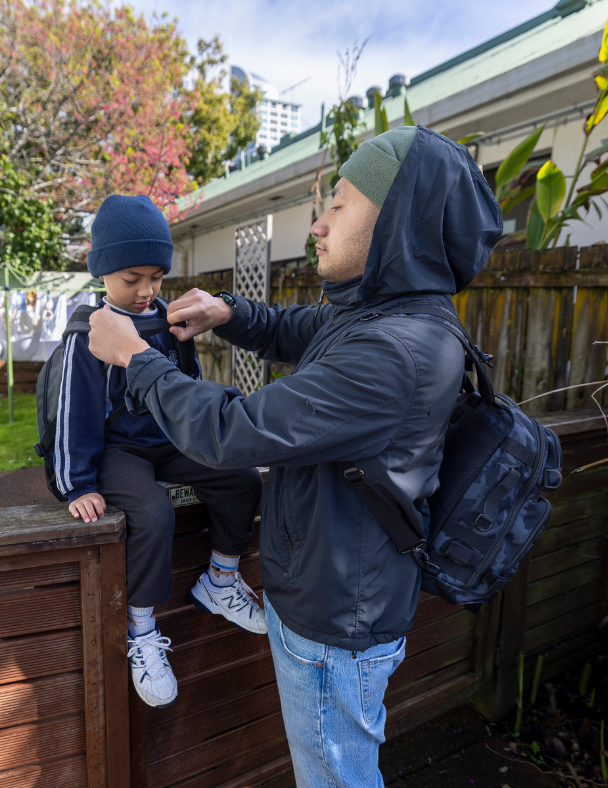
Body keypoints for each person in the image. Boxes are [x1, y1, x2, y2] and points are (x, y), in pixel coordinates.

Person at [85, 127, 503, 786]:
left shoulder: (395, 351)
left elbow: (231, 432)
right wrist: (231, 312)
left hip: (335, 625)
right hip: (324, 599)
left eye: (340, 204)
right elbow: (294, 329)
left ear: (397, 222)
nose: (318, 223)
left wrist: (135, 358)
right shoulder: (377, 315)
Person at [57, 194, 266, 710]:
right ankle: (142, 628)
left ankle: (220, 578)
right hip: (117, 451)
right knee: (150, 512)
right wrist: (76, 484)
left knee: (242, 479)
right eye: (132, 279)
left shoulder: (169, 322)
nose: (147, 290)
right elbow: (73, 415)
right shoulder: (90, 331)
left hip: (170, 441)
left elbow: (187, 393)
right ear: (103, 270)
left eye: (155, 276)